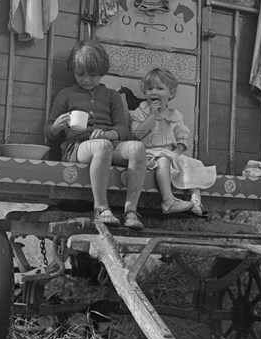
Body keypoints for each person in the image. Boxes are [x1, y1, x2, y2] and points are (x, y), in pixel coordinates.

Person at [44, 40, 147, 230]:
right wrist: (57, 126)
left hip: (107, 144)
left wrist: (108, 134)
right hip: (77, 147)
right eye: (79, 74)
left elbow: (123, 130)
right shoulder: (65, 94)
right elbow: (48, 131)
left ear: (102, 71)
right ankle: (101, 208)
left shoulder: (111, 96)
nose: (86, 79)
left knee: (137, 148)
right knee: (102, 146)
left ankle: (131, 211)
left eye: (92, 75)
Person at [130, 68, 205, 216]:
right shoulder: (140, 112)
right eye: (149, 88)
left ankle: (196, 201)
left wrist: (176, 154)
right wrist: (152, 115)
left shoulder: (175, 116)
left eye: (159, 88)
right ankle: (168, 200)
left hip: (170, 153)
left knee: (193, 163)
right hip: (148, 154)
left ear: (171, 94)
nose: (153, 92)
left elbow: (182, 139)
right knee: (163, 160)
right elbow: (137, 135)